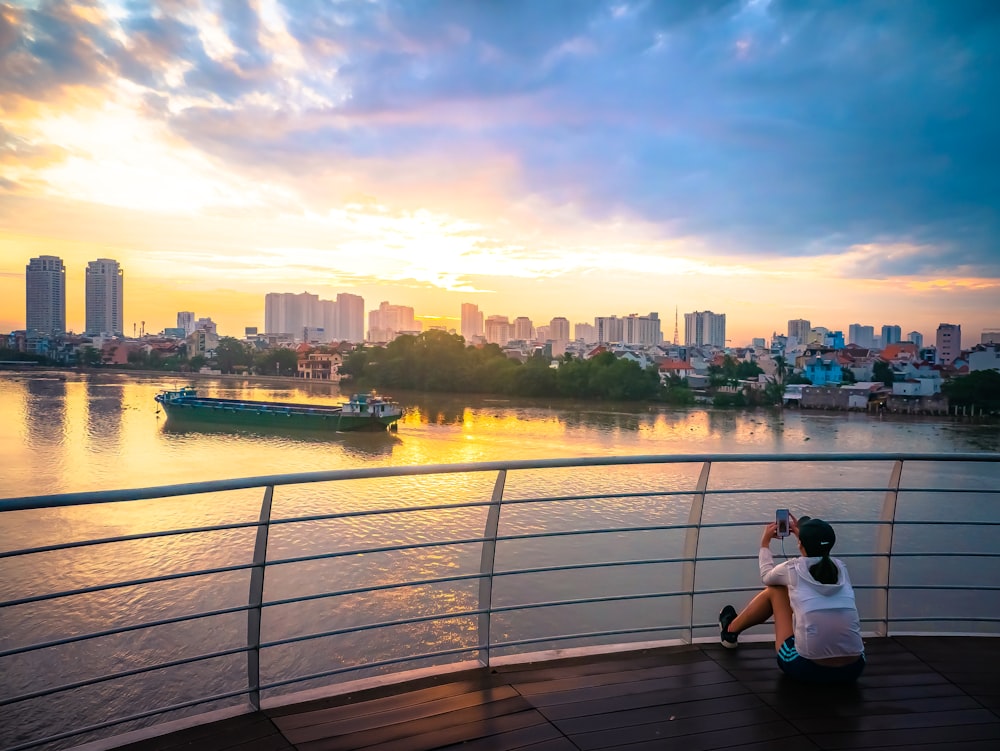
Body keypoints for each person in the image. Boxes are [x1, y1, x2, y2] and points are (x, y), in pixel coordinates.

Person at [718, 514, 865, 683]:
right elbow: (816, 556)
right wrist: (803, 539)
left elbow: (766, 577)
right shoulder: (841, 568)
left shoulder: (792, 568)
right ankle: (730, 630)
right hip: (854, 667)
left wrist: (765, 542)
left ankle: (730, 631)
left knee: (776, 590)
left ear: (801, 544)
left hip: (808, 668)